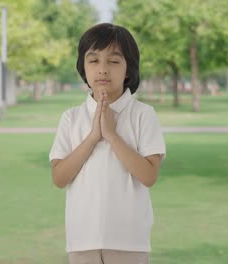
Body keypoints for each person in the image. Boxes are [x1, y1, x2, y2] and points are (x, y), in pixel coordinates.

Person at [49, 23, 166, 264]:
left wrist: (111, 135)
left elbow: (149, 176)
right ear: (83, 66)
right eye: (94, 61)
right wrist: (93, 137)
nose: (103, 69)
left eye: (113, 61)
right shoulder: (71, 118)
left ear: (128, 69)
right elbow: (60, 178)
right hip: (82, 240)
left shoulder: (143, 115)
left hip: (129, 241)